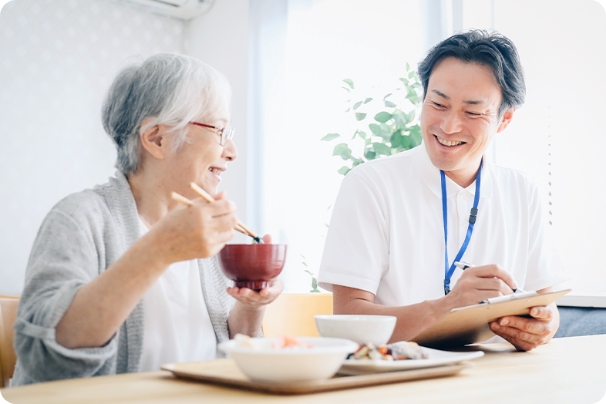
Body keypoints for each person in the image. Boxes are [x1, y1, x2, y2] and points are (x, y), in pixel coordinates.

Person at [12, 54, 283, 385]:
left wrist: (252, 307)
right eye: (221, 131)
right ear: (157, 138)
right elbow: (46, 361)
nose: (232, 151)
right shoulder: (79, 218)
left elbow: (229, 351)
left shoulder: (205, 234)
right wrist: (158, 250)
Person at [317, 30, 567, 352]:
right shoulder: (370, 184)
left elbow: (546, 307)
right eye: (438, 103)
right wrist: (446, 307)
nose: (448, 126)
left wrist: (542, 327)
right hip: (397, 381)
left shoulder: (522, 192)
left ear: (504, 119)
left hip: (494, 380)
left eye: (473, 112)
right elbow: (349, 321)